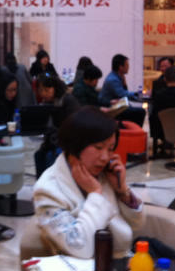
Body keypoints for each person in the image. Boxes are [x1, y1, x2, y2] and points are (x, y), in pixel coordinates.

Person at [33, 106, 144, 259]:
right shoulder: (48, 189)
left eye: (110, 149)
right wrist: (95, 194)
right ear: (75, 146)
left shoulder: (106, 174)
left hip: (120, 260)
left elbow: (137, 225)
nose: (105, 157)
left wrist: (122, 191)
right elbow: (80, 249)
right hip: (79, 269)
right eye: (98, 147)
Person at [34, 74, 80, 176]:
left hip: (69, 142)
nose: (43, 94)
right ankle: (41, 183)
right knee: (38, 155)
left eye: (47, 90)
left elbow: (73, 127)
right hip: (54, 140)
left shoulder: (68, 101)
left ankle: (53, 183)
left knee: (51, 156)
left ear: (55, 88)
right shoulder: (47, 103)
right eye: (40, 90)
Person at [98, 54, 146, 127]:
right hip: (111, 108)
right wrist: (138, 94)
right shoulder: (113, 79)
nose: (128, 67)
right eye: (127, 65)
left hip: (116, 105)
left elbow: (124, 93)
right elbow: (122, 94)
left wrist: (125, 84)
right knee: (140, 112)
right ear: (120, 67)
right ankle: (134, 131)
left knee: (134, 109)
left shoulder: (118, 77)